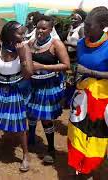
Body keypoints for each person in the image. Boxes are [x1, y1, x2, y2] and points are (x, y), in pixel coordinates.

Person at [0, 21, 34, 171]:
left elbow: (28, 74)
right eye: (19, 33)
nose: (22, 36)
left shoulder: (24, 48)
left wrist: (22, 56)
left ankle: (25, 155)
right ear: (9, 33)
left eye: (23, 33)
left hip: (15, 90)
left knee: (19, 125)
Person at [68, 6, 108, 178]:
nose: (86, 28)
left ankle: (92, 166)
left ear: (103, 25)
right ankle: (82, 166)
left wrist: (90, 73)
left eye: (90, 25)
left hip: (103, 99)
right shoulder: (80, 43)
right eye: (85, 24)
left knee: (97, 133)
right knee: (78, 130)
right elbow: (79, 66)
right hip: (81, 97)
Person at [27, 15, 70, 164]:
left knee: (45, 118)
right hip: (32, 84)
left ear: (51, 29)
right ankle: (30, 138)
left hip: (47, 85)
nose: (40, 31)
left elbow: (66, 65)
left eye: (44, 28)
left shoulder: (55, 44)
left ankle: (51, 149)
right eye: (38, 28)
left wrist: (43, 66)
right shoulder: (32, 42)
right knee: (31, 113)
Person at [63, 9, 87, 107]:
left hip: (76, 58)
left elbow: (84, 43)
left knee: (71, 81)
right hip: (69, 57)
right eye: (72, 17)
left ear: (81, 19)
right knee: (68, 80)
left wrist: (69, 43)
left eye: (75, 17)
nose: (72, 19)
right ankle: (67, 100)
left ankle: (69, 101)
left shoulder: (81, 29)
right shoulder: (71, 28)